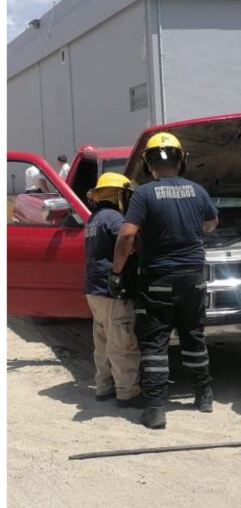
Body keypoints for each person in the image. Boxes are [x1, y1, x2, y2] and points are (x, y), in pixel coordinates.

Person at [111, 132, 219, 429]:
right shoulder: (198, 191)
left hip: (158, 279)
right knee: (193, 336)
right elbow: (211, 223)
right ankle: (204, 395)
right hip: (192, 279)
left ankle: (156, 409)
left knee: (155, 343)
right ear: (181, 160)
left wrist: (117, 272)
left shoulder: (144, 194)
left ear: (148, 164)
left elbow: (127, 235)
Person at [84, 173, 142, 408]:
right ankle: (128, 393)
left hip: (93, 290)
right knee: (122, 343)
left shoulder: (93, 218)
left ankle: (104, 386)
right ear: (119, 194)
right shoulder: (114, 218)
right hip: (112, 291)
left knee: (103, 341)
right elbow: (128, 241)